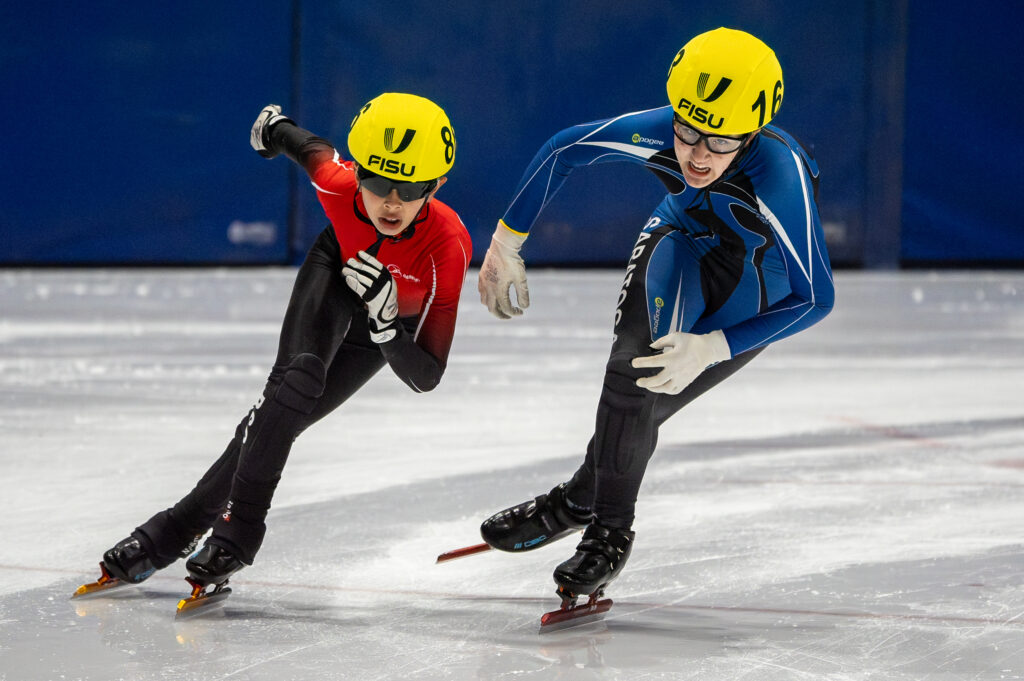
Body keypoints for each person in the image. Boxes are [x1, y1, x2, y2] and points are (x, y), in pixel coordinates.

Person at [476, 28, 835, 605]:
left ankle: (573, 501)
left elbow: (816, 298)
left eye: (719, 142)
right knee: (633, 374)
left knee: (642, 408)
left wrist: (715, 345)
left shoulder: (778, 177)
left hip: (752, 294)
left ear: (752, 135)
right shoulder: (662, 134)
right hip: (680, 238)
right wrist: (505, 243)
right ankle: (608, 533)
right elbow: (565, 148)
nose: (695, 154)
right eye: (686, 129)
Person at [88, 93, 472, 595]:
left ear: (437, 184)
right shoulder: (338, 187)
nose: (392, 202)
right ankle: (234, 534)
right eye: (377, 184)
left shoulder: (448, 244)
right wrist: (273, 128)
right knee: (290, 391)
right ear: (357, 174)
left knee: (276, 421)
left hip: (385, 328)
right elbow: (308, 147)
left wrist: (385, 327)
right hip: (335, 271)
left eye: (411, 188)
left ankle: (177, 527)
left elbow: (428, 376)